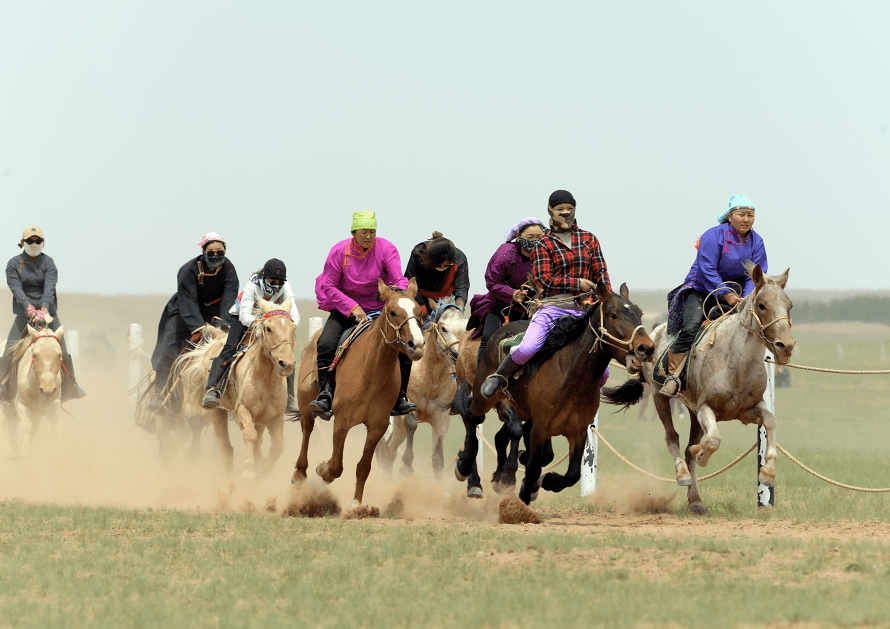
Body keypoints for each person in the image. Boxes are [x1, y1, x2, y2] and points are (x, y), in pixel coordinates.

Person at [480, 190, 612, 398]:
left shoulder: (589, 239)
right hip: (553, 308)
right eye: (560, 209)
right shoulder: (544, 243)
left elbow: (601, 272)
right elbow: (544, 278)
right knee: (527, 349)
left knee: (604, 372)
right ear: (551, 211)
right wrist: (577, 283)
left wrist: (607, 297)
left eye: (570, 208)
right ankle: (498, 376)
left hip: (583, 311)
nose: (566, 213)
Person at [659, 195, 768, 398]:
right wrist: (725, 294)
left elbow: (756, 274)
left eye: (750, 215)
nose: (746, 219)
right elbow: (707, 268)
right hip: (701, 287)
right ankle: (673, 376)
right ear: (730, 216)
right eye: (741, 214)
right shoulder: (713, 235)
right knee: (691, 327)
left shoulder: (757, 242)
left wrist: (744, 299)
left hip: (736, 294)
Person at [310, 211, 415, 419]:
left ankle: (400, 397)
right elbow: (329, 286)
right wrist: (353, 308)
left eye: (372, 231)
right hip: (345, 309)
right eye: (364, 232)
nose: (369, 236)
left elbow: (399, 279)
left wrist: (399, 296)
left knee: (404, 343)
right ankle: (326, 394)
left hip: (379, 310)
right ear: (354, 232)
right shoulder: (339, 251)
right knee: (326, 343)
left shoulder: (386, 248)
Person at [149, 232, 239, 414]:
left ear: (224, 253)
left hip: (214, 313)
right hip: (183, 310)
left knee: (228, 348)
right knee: (169, 346)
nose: (215, 255)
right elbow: (188, 300)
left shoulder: (230, 269)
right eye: (211, 251)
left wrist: (222, 323)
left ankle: (222, 392)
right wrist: (198, 328)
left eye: (220, 252)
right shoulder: (188, 270)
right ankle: (159, 393)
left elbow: (230, 297)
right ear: (204, 251)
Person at [201, 258, 300, 412]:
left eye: (279, 282)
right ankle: (212, 388)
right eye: (272, 280)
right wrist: (261, 322)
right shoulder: (252, 285)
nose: (276, 285)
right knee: (231, 347)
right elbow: (245, 315)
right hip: (244, 317)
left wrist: (285, 323)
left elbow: (295, 316)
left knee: (286, 353)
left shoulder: (286, 287)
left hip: (271, 319)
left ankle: (290, 398)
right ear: (264, 277)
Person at [0, 226, 86, 403]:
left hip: (48, 316)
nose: (34, 243)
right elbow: (16, 288)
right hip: (24, 317)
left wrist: (44, 308)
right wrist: (29, 308)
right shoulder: (13, 264)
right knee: (9, 351)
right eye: (30, 240)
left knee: (61, 350)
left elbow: (49, 286)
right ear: (23, 243)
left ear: (43, 242)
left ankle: (71, 385)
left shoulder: (49, 263)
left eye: (38, 240)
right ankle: (2, 385)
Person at [468, 217, 545, 361]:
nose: (535, 240)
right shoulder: (505, 253)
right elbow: (492, 281)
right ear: (518, 236)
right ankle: (482, 379)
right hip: (501, 305)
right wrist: (514, 293)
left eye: (539, 237)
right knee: (489, 338)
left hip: (535, 307)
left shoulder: (546, 255)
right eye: (530, 237)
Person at [404, 231, 470, 314]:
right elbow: (411, 285)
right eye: (438, 265)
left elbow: (461, 289)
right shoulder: (419, 254)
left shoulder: (460, 260)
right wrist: (425, 312)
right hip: (419, 300)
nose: (442, 268)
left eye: (447, 266)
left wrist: (459, 311)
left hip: (447, 302)